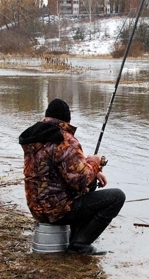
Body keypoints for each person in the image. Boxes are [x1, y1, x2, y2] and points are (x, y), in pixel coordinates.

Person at [19, 98, 125, 255]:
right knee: (116, 197)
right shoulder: (65, 140)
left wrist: (93, 170)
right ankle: (79, 244)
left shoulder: (35, 137)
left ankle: (76, 235)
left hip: (36, 207)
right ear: (67, 120)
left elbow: (57, 170)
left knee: (91, 182)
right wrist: (96, 164)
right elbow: (81, 181)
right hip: (56, 211)